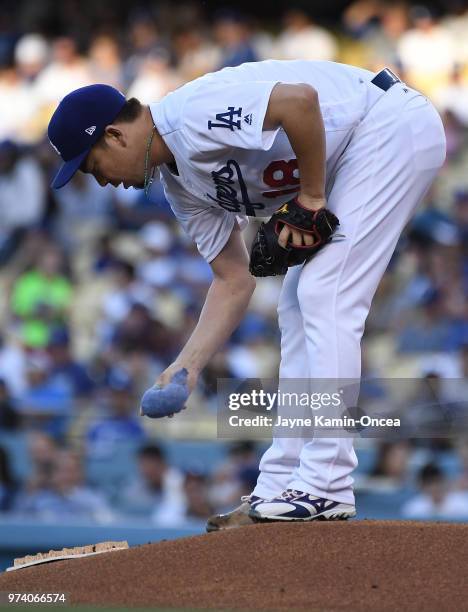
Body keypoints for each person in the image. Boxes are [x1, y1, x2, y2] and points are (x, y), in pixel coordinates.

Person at [47, 58, 446, 526]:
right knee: (295, 302)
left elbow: (299, 101)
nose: (101, 180)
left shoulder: (192, 116)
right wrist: (186, 366)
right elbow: (233, 279)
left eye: (93, 166)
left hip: (388, 125)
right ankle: (279, 485)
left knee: (322, 292)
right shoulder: (180, 186)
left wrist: (312, 197)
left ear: (114, 136)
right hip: (354, 154)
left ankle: (328, 483)